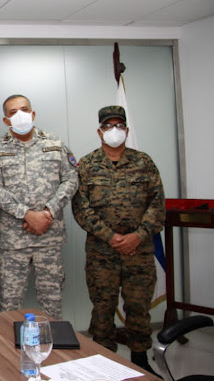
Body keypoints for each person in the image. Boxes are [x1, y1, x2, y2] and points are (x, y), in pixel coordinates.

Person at [71, 105, 165, 376]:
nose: (114, 130)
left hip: (140, 251)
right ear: (100, 131)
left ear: (126, 129)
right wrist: (110, 236)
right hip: (102, 252)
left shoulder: (143, 162)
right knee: (103, 308)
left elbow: (157, 204)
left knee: (138, 308)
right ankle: (104, 364)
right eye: (108, 126)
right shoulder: (87, 165)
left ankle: (140, 360)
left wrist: (138, 235)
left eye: (119, 126)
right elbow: (81, 208)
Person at [0, 94, 78, 319]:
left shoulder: (55, 143)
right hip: (13, 241)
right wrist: (26, 214)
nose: (20, 115)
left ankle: (53, 341)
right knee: (10, 305)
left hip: (49, 237)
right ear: (6, 120)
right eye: (13, 112)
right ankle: (8, 342)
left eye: (24, 109)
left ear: (33, 114)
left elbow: (71, 179)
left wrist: (48, 212)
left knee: (52, 303)